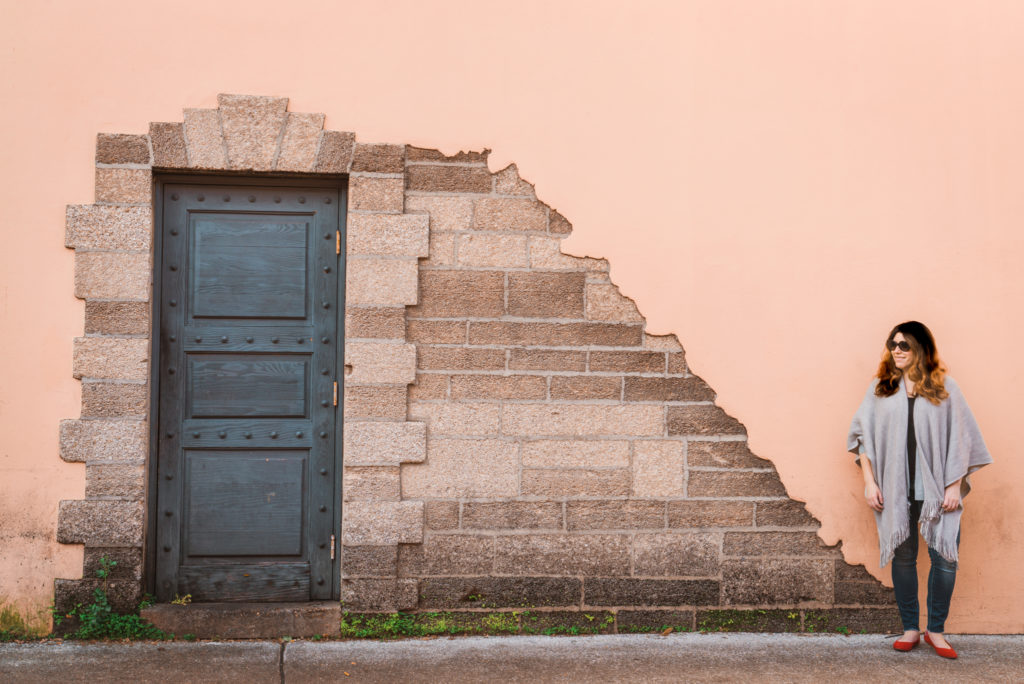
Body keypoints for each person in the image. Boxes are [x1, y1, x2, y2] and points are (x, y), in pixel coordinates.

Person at [847, 321, 992, 658]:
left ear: (921, 350)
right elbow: (861, 438)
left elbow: (963, 439)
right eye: (892, 343)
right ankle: (911, 627)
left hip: (937, 492)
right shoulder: (881, 388)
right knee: (904, 557)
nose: (896, 349)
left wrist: (954, 485)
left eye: (905, 344)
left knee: (945, 562)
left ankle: (936, 631)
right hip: (896, 491)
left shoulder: (944, 388)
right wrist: (870, 481)